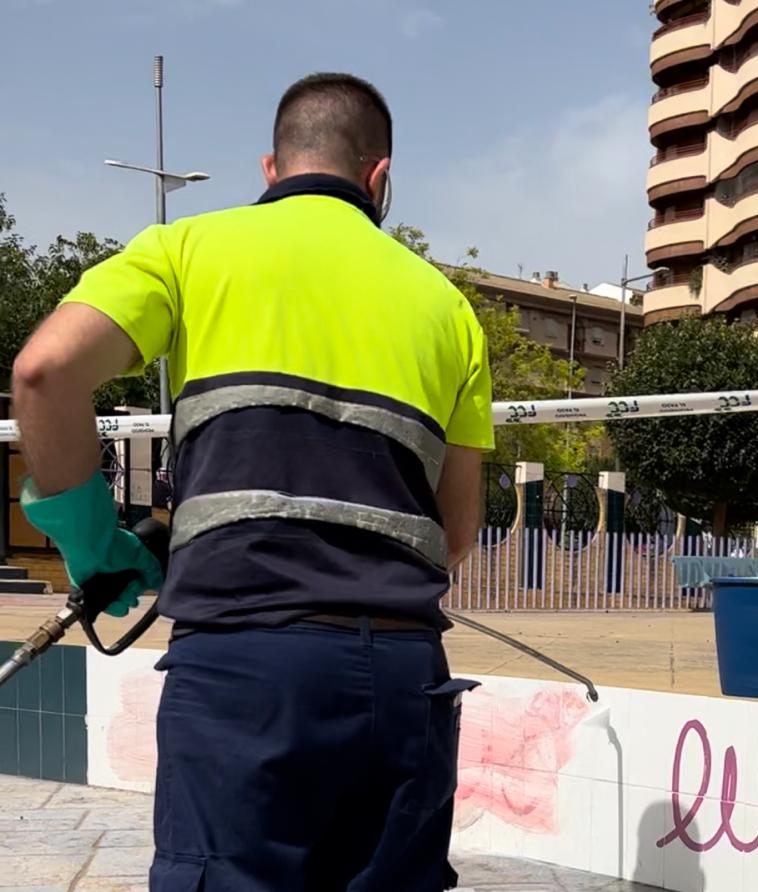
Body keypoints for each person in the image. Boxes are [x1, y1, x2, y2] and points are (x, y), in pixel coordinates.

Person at [13, 72, 494, 891]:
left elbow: (45, 372)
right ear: (380, 178)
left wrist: (95, 547)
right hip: (403, 678)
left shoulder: (187, 250)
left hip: (244, 668)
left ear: (271, 168)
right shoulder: (449, 309)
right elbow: (454, 533)